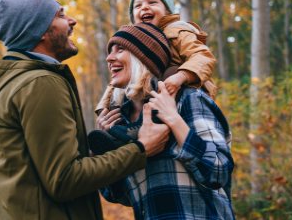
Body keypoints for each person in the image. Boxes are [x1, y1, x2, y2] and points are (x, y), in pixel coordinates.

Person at [0, 0, 171, 220]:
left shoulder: (8, 84)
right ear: (41, 30)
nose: (71, 21)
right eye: (60, 15)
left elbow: (34, 168)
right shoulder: (40, 83)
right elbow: (64, 180)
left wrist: (93, 151)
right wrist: (141, 149)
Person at [97, 24, 235, 220]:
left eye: (120, 49)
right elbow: (123, 197)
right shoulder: (122, 121)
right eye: (110, 51)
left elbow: (219, 171)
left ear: (143, 57)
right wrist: (106, 149)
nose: (109, 58)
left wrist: (173, 119)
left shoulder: (187, 99)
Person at [95, 0, 218, 126]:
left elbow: (202, 56)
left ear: (167, 10)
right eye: (138, 6)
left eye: (152, 2)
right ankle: (118, 130)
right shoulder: (136, 41)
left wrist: (181, 76)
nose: (145, 7)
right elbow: (116, 78)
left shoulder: (178, 32)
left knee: (170, 72)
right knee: (123, 90)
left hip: (183, 86)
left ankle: (164, 122)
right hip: (150, 90)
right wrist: (104, 108)